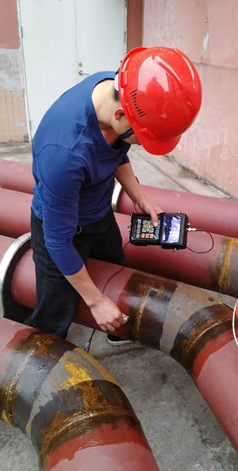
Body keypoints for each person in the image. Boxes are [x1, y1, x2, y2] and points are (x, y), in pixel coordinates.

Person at [29, 46, 202, 344]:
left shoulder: (118, 90)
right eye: (145, 139)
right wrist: (96, 303)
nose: (144, 146)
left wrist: (140, 198)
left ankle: (114, 328)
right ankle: (40, 363)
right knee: (54, 313)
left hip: (97, 212)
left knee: (116, 271)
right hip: (58, 229)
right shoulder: (63, 154)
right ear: (121, 116)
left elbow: (116, 152)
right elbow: (58, 241)